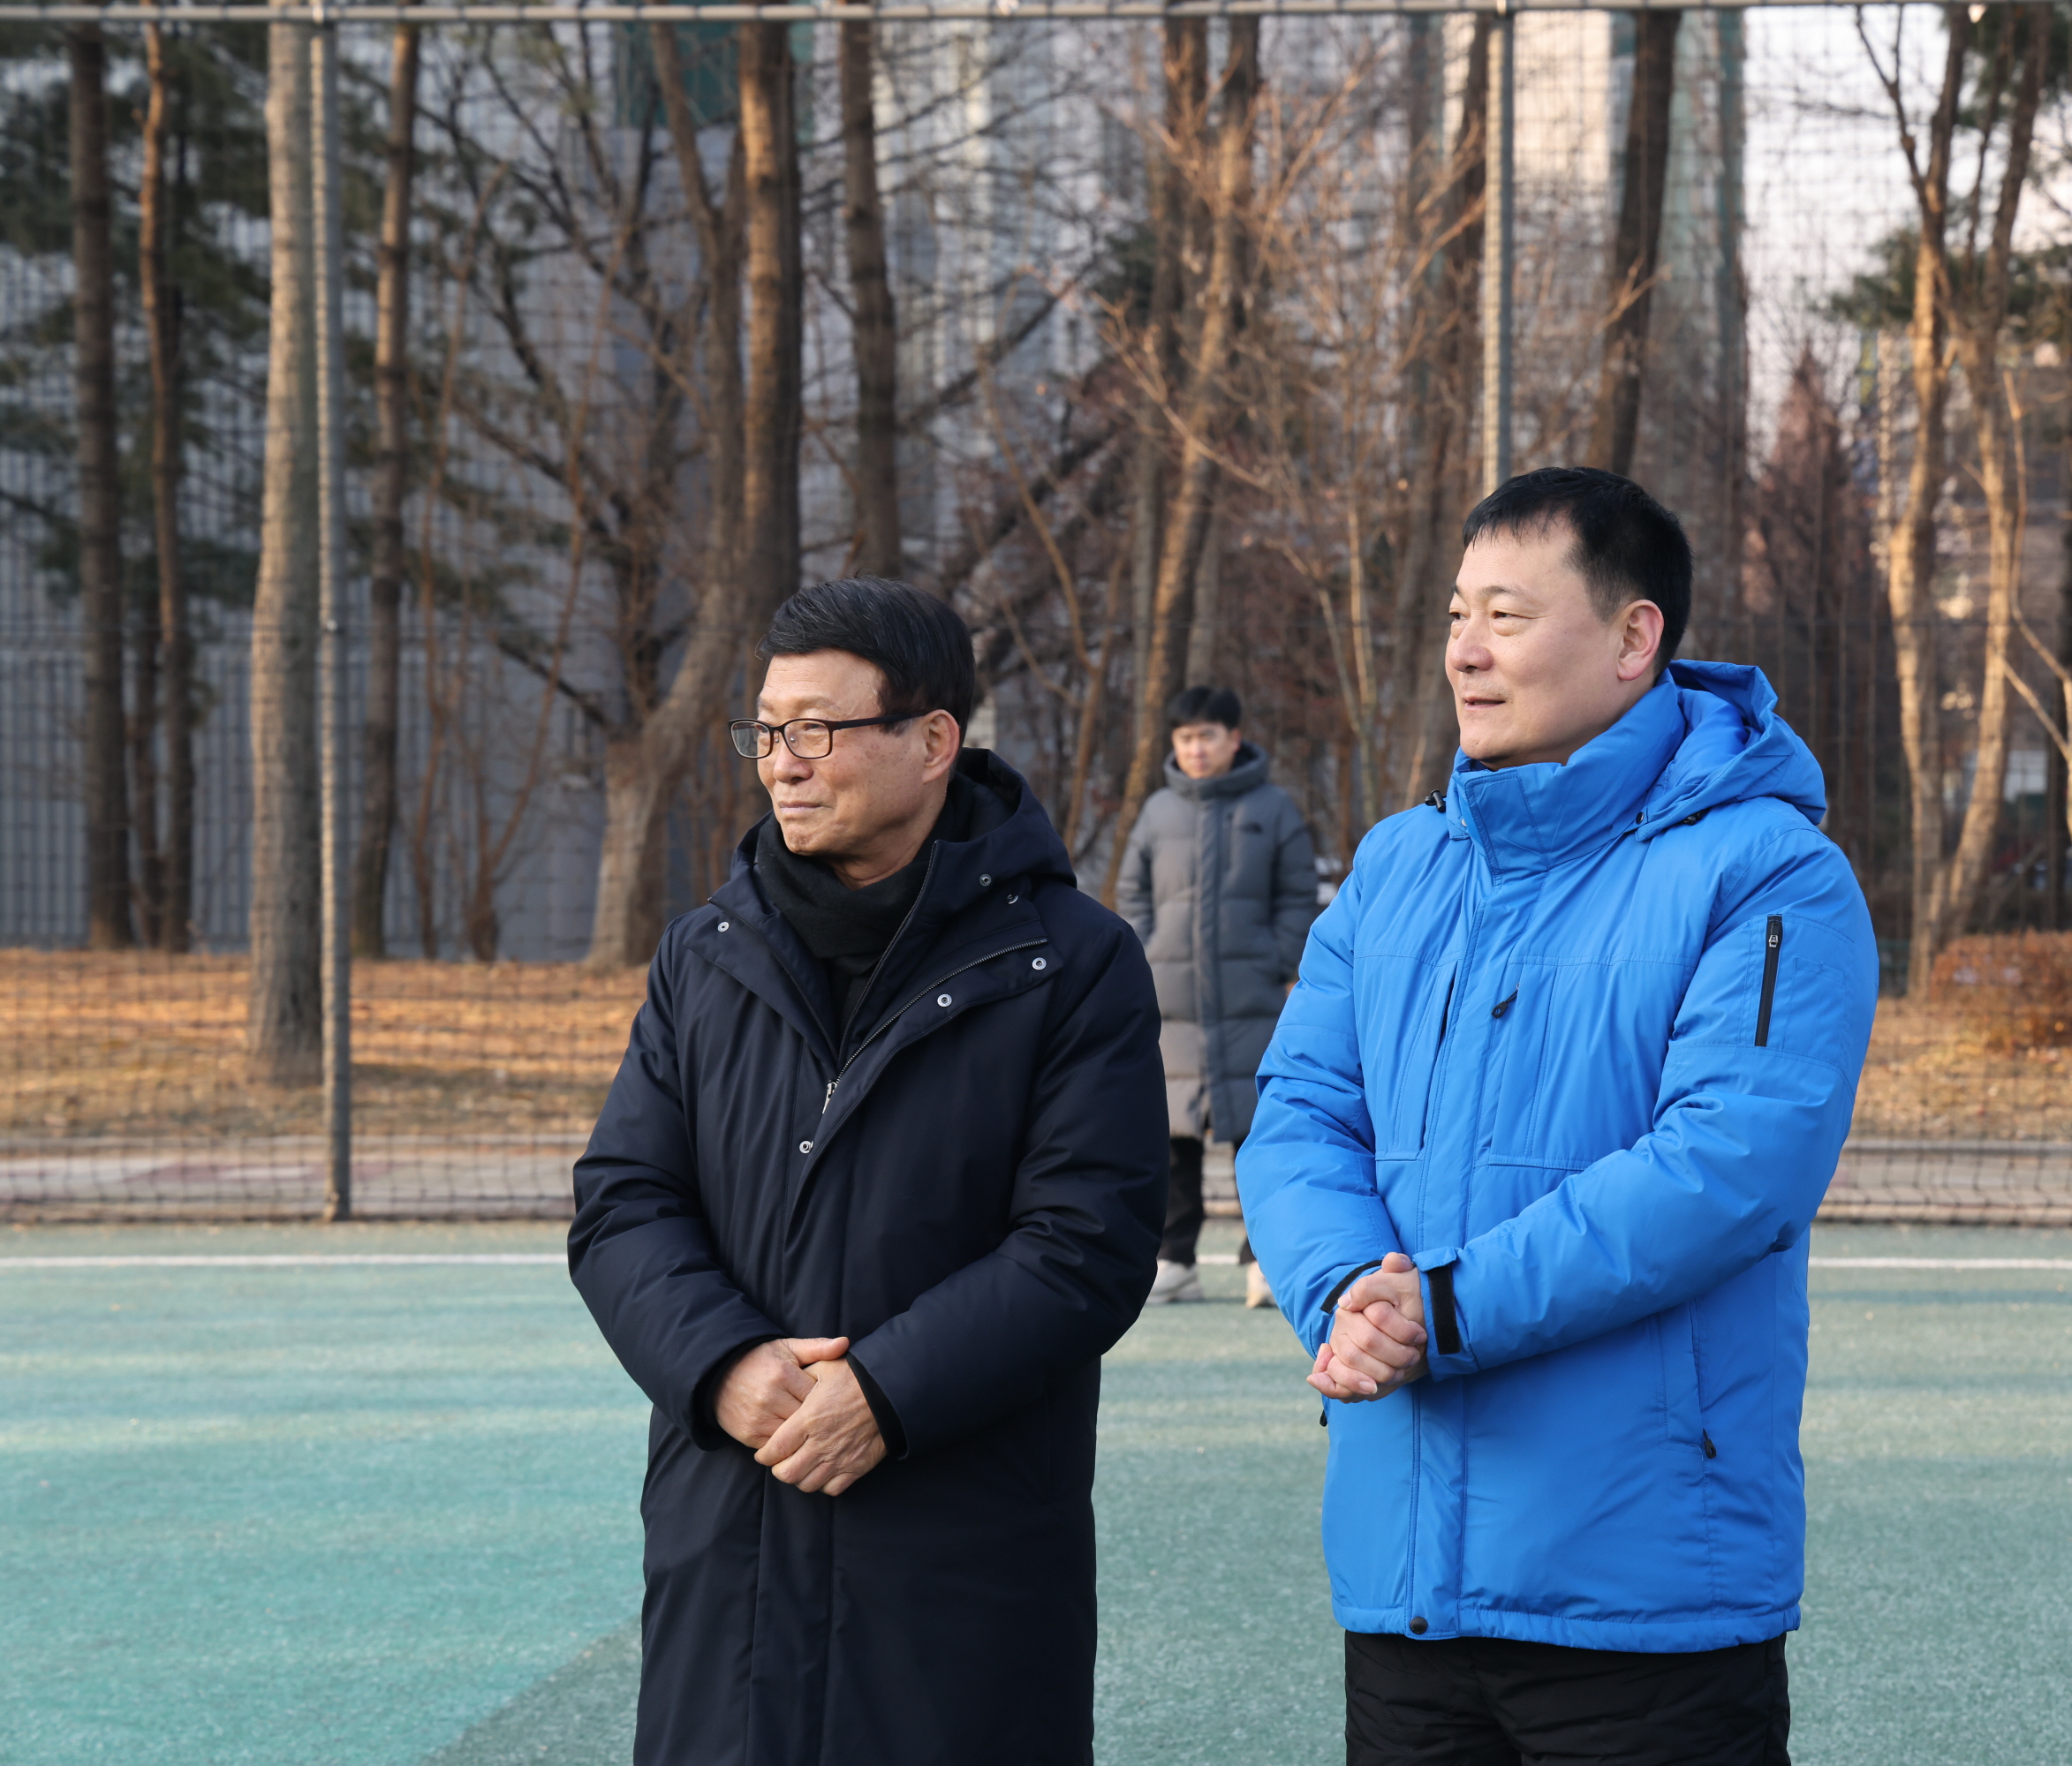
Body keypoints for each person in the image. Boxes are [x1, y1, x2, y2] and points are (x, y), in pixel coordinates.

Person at [1236, 468, 1877, 1765]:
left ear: (1636, 639)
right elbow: (1297, 1113)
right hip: (1405, 1578)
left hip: (1646, 1592)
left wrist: (1447, 1308)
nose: (1467, 653)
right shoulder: (1398, 866)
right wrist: (1349, 1291)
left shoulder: (1767, 872)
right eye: (1458, 617)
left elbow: (1725, 1169)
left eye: (1510, 617)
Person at [570, 577, 1165, 1766]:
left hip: (957, 1556)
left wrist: (886, 1394)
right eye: (769, 731)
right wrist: (722, 1365)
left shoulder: (1073, 962)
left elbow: (1085, 1244)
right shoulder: (705, 953)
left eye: (821, 731)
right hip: (727, 1545)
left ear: (934, 742)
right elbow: (623, 1203)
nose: (785, 763)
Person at [1116, 683, 1317, 1309]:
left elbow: (1297, 896)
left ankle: (1263, 1261)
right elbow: (1133, 894)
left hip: (1251, 1003)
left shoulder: (1275, 809)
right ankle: (1175, 1258)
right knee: (1171, 1138)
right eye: (1184, 738)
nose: (1196, 750)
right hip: (1173, 1007)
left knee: (1256, 1135)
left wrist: (1280, 959)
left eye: (1207, 736)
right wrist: (1146, 959)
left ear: (1234, 738)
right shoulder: (1157, 813)